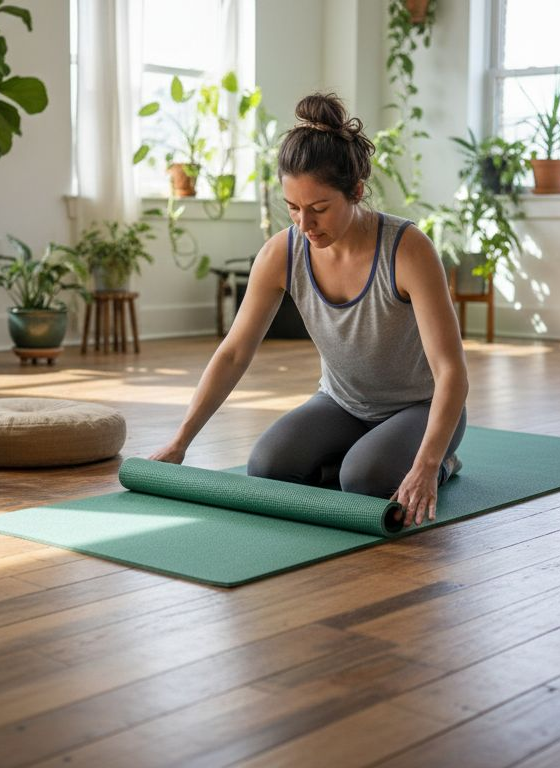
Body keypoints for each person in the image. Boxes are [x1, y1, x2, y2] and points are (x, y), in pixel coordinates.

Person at [149, 92, 467, 528]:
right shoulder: (282, 252)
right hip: (342, 404)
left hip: (420, 409)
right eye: (293, 208)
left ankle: (447, 460)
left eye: (319, 209)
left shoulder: (407, 250)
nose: (304, 224)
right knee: (267, 469)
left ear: (355, 191)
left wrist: (428, 465)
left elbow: (451, 370)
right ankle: (358, 458)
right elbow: (234, 352)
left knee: (365, 480)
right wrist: (180, 441)